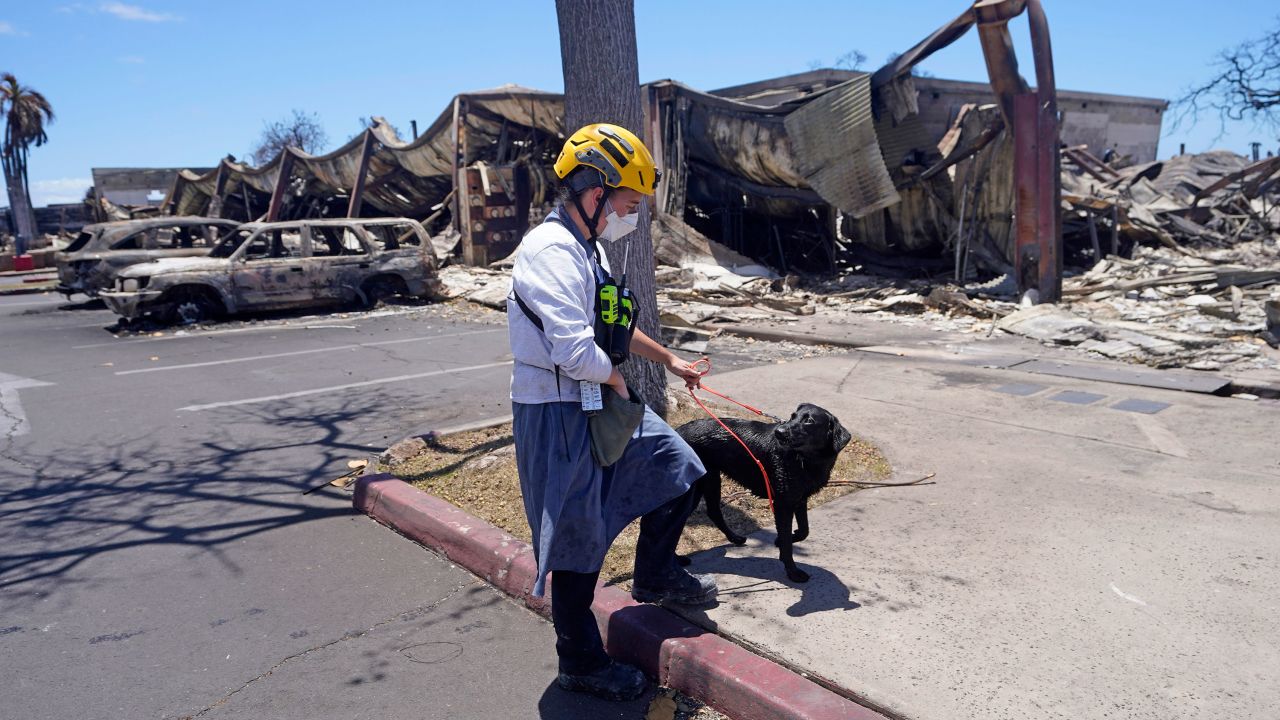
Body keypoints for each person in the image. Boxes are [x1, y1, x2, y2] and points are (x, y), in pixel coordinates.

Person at [507, 123, 716, 702]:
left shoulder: (587, 247)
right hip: (556, 410)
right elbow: (574, 352)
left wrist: (669, 358)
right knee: (576, 539)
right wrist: (622, 380)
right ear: (592, 189)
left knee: (677, 467)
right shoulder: (548, 252)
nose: (627, 217)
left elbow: (611, 325)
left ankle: (653, 573)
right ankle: (580, 661)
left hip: (598, 397)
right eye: (625, 204)